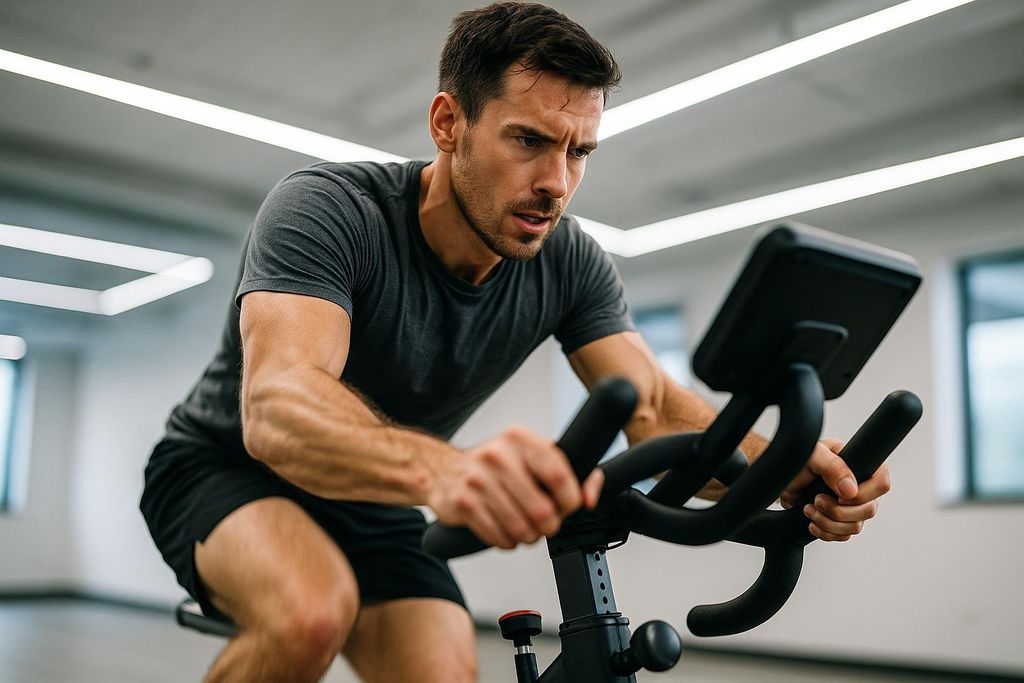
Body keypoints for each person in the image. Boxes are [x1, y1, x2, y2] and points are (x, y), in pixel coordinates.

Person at [140, 3, 891, 682]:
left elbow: (656, 411)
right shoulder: (331, 210)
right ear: (447, 123)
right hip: (224, 467)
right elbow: (279, 405)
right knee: (311, 613)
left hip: (376, 499)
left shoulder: (570, 261)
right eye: (529, 140)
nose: (556, 182)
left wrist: (789, 467)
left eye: (579, 152)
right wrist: (446, 472)